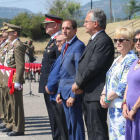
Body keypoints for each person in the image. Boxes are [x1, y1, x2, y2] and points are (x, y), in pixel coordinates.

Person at [72, 9, 114, 140]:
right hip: (89, 92)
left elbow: (93, 67)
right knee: (91, 129)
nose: (84, 24)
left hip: (96, 93)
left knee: (97, 130)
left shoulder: (103, 41)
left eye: (86, 22)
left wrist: (78, 83)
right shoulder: (94, 40)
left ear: (95, 23)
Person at [100, 27, 137, 140]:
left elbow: (123, 85)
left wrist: (106, 99)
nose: (118, 43)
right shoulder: (117, 59)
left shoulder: (131, 59)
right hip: (112, 106)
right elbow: (108, 79)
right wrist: (103, 95)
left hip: (121, 107)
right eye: (116, 40)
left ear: (130, 42)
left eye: (121, 40)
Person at [56, 19, 85, 140]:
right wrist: (59, 91)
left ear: (75, 30)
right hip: (64, 91)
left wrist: (74, 95)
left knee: (76, 124)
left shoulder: (79, 46)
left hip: (72, 93)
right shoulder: (65, 46)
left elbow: (79, 72)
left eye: (67, 28)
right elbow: (63, 71)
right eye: (63, 28)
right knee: (69, 126)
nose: (64, 30)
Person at [39, 14, 63, 140]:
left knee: (56, 116)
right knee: (52, 116)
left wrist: (54, 85)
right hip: (48, 84)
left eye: (48, 24)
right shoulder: (52, 40)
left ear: (55, 25)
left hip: (52, 85)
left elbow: (60, 64)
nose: (45, 26)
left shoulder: (59, 40)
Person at [45, 33, 68, 140]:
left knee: (64, 127)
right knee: (59, 125)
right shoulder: (62, 54)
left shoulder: (66, 54)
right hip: (55, 94)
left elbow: (60, 74)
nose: (57, 43)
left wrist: (50, 87)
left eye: (60, 41)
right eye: (56, 41)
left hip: (60, 93)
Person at [3, 23, 25, 136]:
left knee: (16, 104)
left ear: (15, 33)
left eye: (9, 32)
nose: (6, 33)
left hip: (14, 77)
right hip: (8, 76)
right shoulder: (11, 44)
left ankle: (19, 128)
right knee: (10, 103)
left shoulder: (18, 45)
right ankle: (12, 124)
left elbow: (20, 65)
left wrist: (17, 81)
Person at [122, 29, 140, 140]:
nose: (138, 42)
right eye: (136, 40)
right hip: (130, 111)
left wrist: (134, 108)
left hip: (137, 111)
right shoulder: (135, 61)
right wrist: (124, 104)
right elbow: (129, 84)